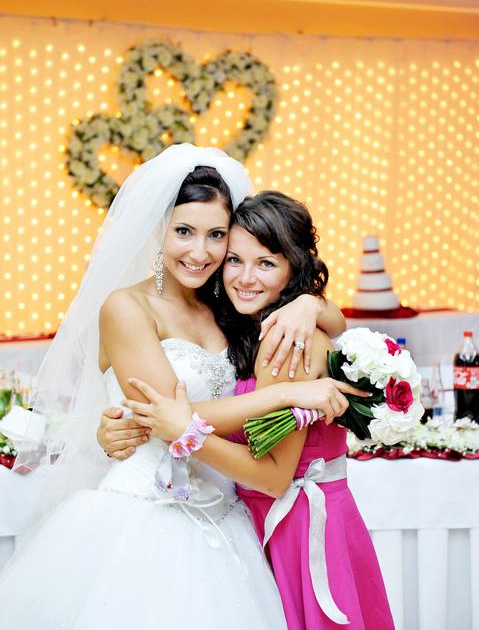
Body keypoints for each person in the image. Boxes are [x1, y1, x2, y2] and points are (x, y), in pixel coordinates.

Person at [0, 144, 354, 630]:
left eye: (216, 236)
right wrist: (285, 394)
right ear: (158, 229)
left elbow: (324, 317)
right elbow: (169, 416)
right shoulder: (126, 308)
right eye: (184, 231)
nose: (200, 252)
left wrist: (311, 305)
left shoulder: (228, 303)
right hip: (146, 514)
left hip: (229, 511)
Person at [117, 191, 395, 630]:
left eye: (265, 263)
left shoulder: (288, 342)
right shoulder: (254, 324)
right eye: (234, 260)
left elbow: (273, 477)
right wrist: (312, 302)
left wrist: (187, 432)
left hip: (298, 528)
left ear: (293, 268)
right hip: (264, 521)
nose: (245, 278)